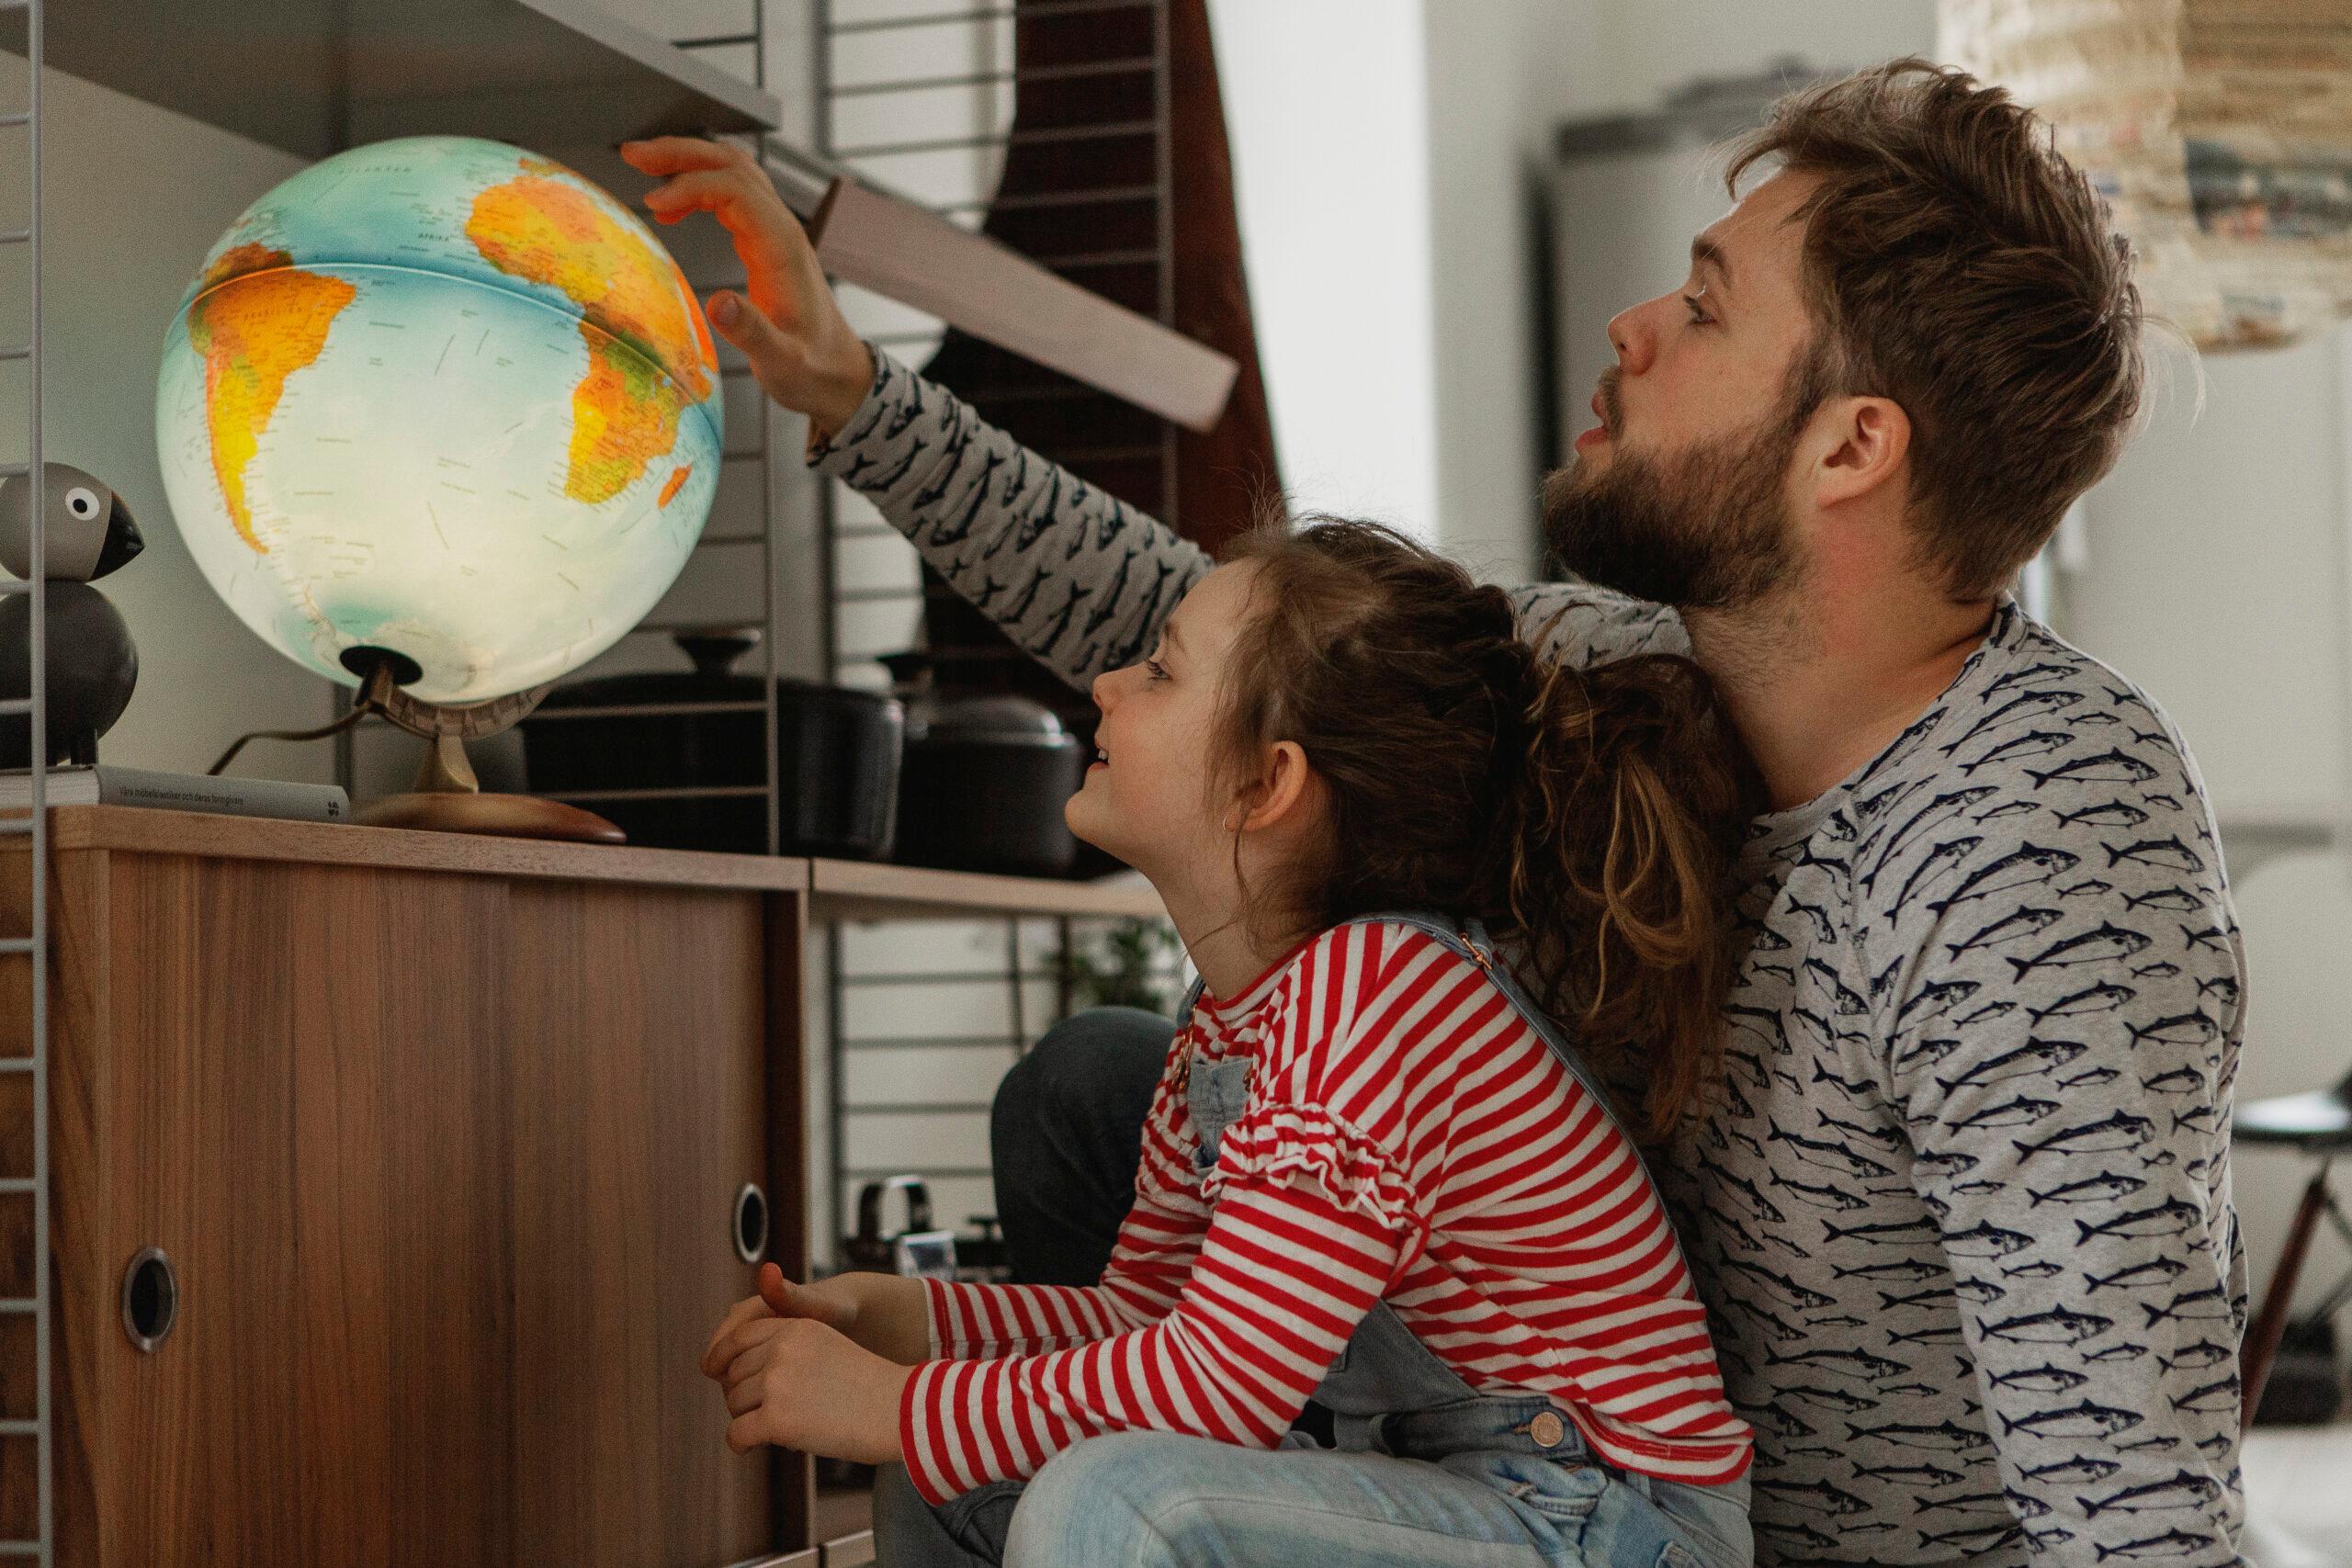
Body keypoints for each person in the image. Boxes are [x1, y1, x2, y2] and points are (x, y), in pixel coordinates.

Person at [627, 54, 2248, 1568]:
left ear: (1850, 448)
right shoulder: (1620, 666)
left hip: (1682, 1520)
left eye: (1700, 306)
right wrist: (855, 395)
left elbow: (2133, 1482)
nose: (1630, 327)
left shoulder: (2045, 836)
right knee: (1095, 1093)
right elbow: (1210, 636)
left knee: (1130, 1428)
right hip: (1486, 1424)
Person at [703, 517, 1764, 1566]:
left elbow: (1222, 1383)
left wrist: (898, 1405)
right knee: (946, 1480)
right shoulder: (1229, 1026)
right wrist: (920, 1325)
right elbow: (1145, 1319)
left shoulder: (1374, 996)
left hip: (1607, 1523)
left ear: (1265, 785)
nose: (1108, 684)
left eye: (1159, 671)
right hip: (1463, 1490)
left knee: (1117, 1495)